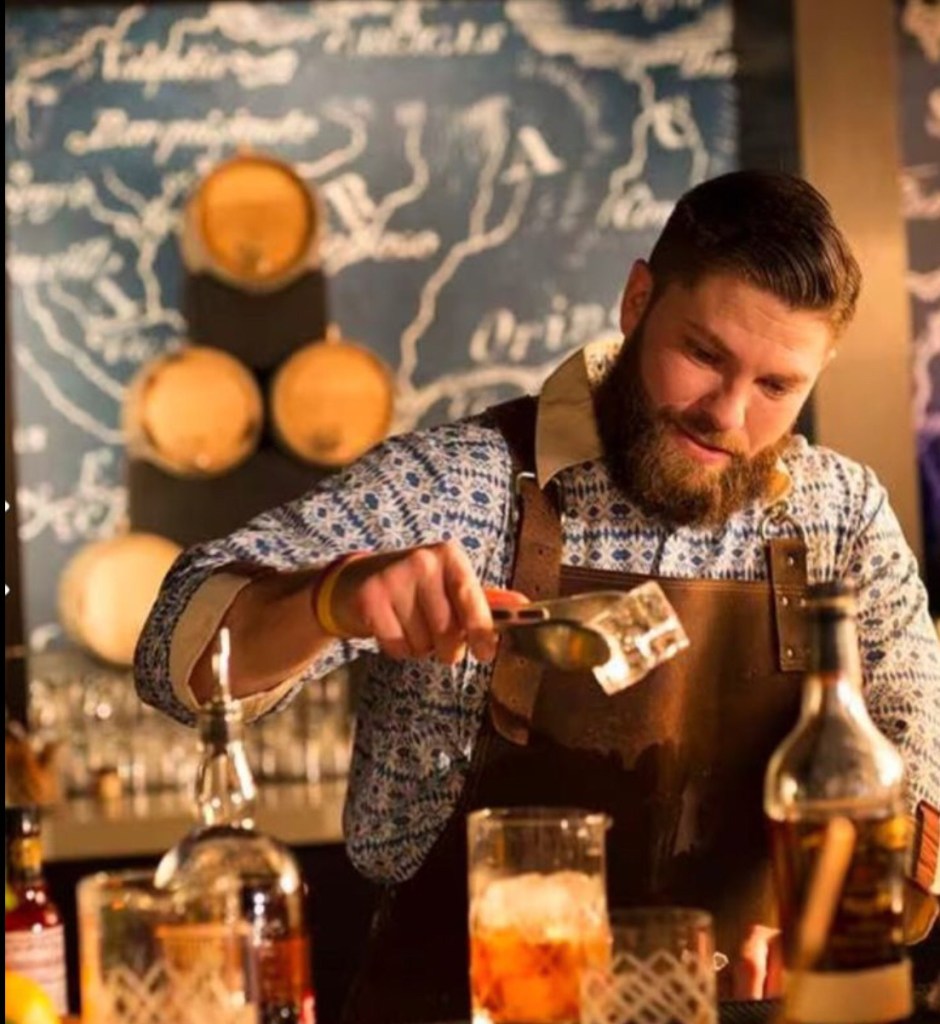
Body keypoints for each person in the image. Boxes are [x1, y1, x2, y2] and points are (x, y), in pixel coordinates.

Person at [135, 170, 940, 1021]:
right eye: (704, 356)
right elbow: (172, 653)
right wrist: (331, 597)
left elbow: (923, 744)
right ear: (637, 300)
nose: (730, 414)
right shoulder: (459, 486)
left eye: (777, 387)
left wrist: (849, 906)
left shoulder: (839, 515)